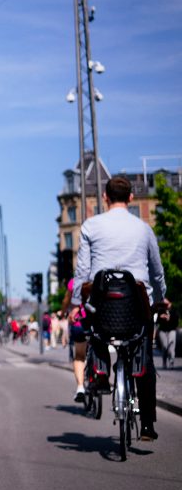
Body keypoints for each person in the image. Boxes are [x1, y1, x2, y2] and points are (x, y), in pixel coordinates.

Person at [72, 175, 168, 441]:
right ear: (131, 199)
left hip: (103, 309)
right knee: (145, 357)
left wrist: (75, 304)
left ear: (105, 197)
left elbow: (82, 272)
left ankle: (101, 372)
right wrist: (162, 299)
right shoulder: (144, 229)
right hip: (137, 308)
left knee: (94, 331)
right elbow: (157, 272)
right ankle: (147, 425)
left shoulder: (91, 226)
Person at [157, 301, 178, 370]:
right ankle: (164, 362)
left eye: (167, 304)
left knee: (171, 347)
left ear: (170, 303)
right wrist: (161, 317)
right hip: (162, 331)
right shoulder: (161, 311)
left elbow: (176, 322)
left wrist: (169, 318)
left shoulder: (174, 311)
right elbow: (157, 322)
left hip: (171, 330)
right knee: (165, 347)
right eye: (164, 304)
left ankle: (171, 363)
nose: (166, 305)